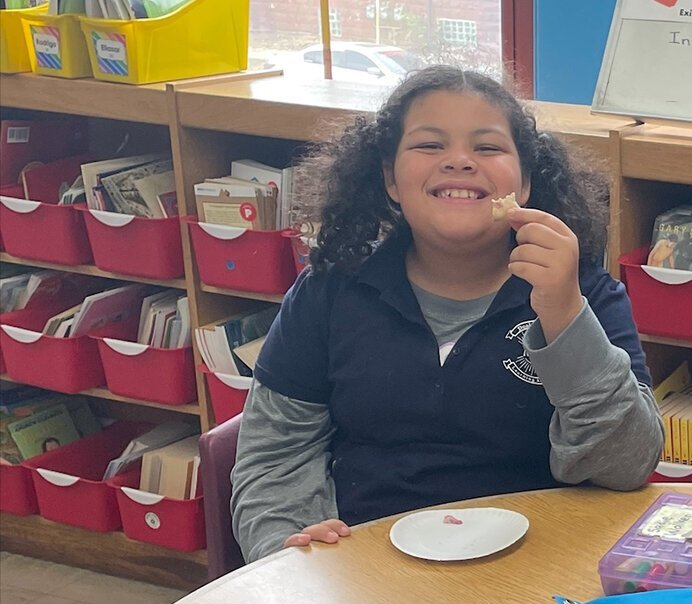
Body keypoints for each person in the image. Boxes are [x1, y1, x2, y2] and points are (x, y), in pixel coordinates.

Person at [231, 67, 662, 563]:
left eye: (487, 148)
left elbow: (627, 465)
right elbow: (274, 457)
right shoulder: (331, 290)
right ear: (391, 179)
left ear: (523, 183)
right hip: (363, 569)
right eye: (429, 145)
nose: (459, 161)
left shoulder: (583, 292)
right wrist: (286, 553)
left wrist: (565, 316)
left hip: (538, 568)